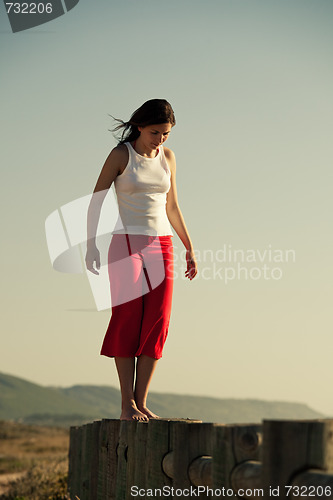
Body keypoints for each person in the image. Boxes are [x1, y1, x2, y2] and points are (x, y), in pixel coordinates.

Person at [85, 99, 197, 421]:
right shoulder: (122, 156)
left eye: (166, 134)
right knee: (128, 317)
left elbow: (172, 206)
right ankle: (125, 404)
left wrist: (189, 246)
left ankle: (141, 401)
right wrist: (91, 245)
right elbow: (95, 202)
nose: (160, 139)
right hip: (125, 243)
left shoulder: (168, 158)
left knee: (158, 321)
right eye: (155, 132)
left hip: (161, 244)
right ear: (139, 127)